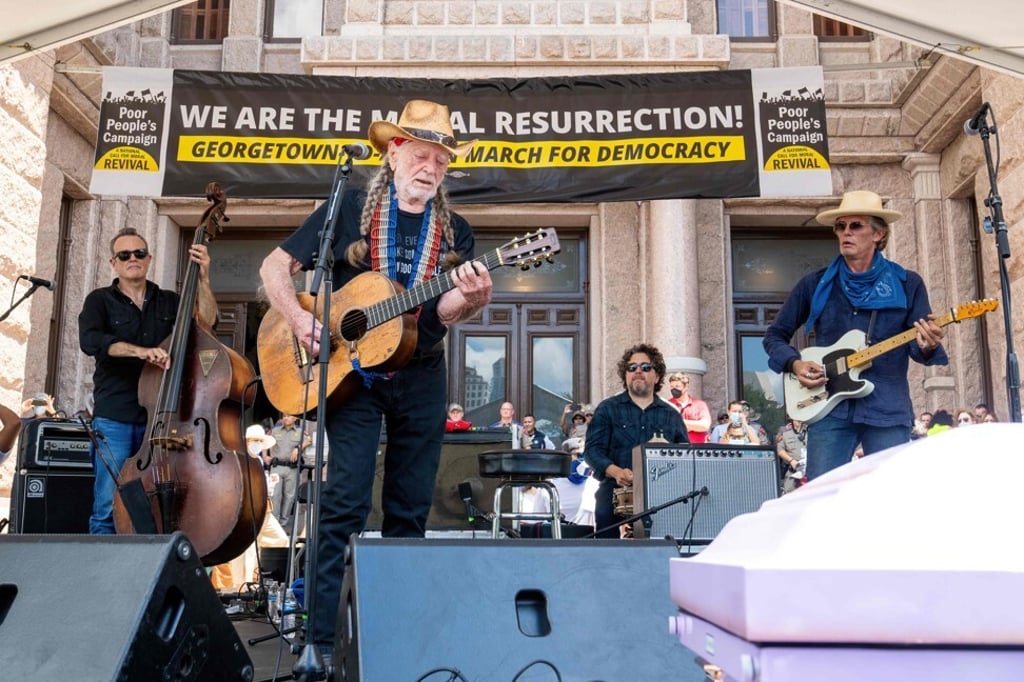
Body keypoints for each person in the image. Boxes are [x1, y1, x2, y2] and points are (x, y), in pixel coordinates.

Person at [258, 99, 492, 662]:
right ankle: (316, 641)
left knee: (410, 511)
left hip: (421, 371)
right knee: (343, 503)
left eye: (440, 159)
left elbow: (439, 316)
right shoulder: (346, 212)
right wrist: (299, 319)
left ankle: (399, 638)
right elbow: (273, 268)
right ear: (393, 153)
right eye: (420, 153)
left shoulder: (455, 232)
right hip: (351, 375)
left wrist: (472, 301)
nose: (430, 167)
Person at [764, 191, 947, 480]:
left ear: (878, 234)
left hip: (887, 408)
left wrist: (926, 344)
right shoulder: (815, 284)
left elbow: (919, 346)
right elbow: (774, 336)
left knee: (890, 496)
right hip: (829, 408)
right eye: (841, 226)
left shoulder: (908, 283)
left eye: (856, 226)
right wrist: (795, 364)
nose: (845, 232)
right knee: (820, 498)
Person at [79, 227, 217, 535]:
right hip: (116, 416)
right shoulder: (99, 301)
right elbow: (93, 342)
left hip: (163, 420)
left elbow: (207, 323)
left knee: (162, 504)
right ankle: (105, 581)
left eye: (139, 253)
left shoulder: (169, 301)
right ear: (113, 262)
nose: (133, 259)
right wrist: (141, 352)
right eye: (125, 255)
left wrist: (205, 278)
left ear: (149, 259)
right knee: (106, 506)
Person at [583, 343, 688, 539]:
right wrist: (615, 472)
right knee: (604, 513)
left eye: (646, 367)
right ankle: (608, 566)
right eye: (632, 367)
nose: (638, 371)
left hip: (662, 490)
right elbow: (592, 451)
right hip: (616, 487)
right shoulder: (607, 409)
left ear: (657, 376)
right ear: (625, 375)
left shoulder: (672, 416)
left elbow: (685, 455)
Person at [265, 413, 306, 527]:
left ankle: (283, 523)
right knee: (274, 495)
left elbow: (309, 440)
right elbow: (264, 441)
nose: (286, 418)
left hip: (291, 469)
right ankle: (274, 523)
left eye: (288, 416)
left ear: (295, 418)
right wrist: (264, 456)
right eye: (284, 416)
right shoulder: (275, 431)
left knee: (289, 496)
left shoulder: (301, 431)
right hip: (276, 467)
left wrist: (298, 448)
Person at [666, 372, 711, 443]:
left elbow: (705, 425)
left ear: (686, 386)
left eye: (677, 386)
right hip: (675, 449)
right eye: (672, 387)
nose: (673, 389)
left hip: (697, 449)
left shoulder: (700, 405)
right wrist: (694, 426)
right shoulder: (667, 405)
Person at [775, 419, 807, 493]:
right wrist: (791, 460)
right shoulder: (785, 435)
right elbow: (779, 450)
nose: (800, 420)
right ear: (793, 419)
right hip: (793, 472)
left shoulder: (812, 432)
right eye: (797, 418)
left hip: (810, 470)